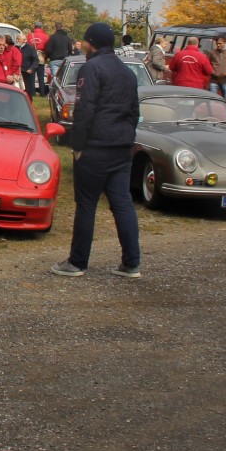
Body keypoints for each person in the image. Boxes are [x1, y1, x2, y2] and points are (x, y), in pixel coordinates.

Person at [50, 22, 141, 279]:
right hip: (122, 146)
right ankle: (131, 262)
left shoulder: (91, 68)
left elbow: (85, 109)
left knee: (87, 204)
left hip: (96, 146)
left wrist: (77, 145)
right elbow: (134, 111)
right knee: (122, 203)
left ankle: (77, 262)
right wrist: (127, 137)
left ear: (91, 43)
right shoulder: (128, 73)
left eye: (86, 42)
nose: (84, 45)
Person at [19, 31, 41, 95]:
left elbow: (35, 60)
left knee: (28, 90)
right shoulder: (16, 48)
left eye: (18, 39)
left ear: (24, 40)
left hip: (27, 72)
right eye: (16, 39)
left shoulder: (30, 48)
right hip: (19, 73)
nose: (17, 41)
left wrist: (31, 68)